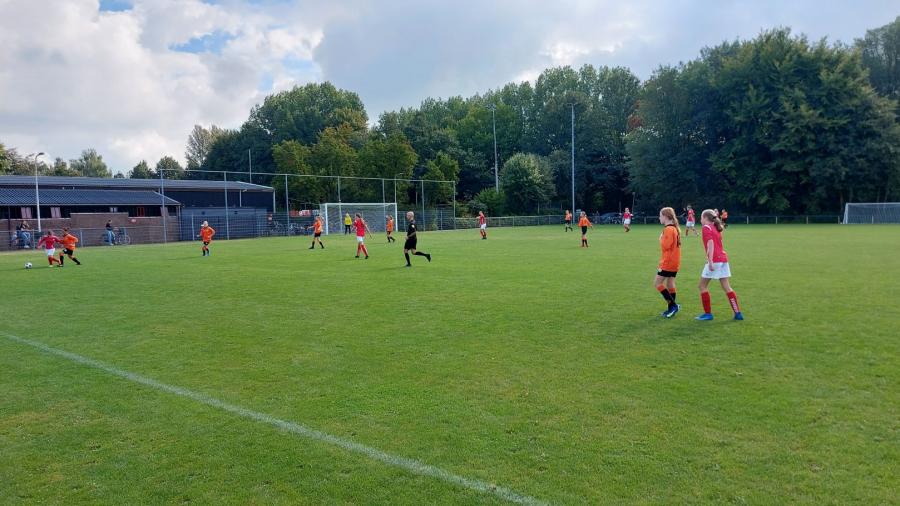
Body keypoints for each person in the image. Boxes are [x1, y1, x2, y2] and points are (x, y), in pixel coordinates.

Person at [696, 209, 743, 321]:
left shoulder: (706, 228)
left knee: (702, 286)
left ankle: (708, 314)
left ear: (705, 218)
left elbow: (710, 244)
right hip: (723, 259)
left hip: (715, 260)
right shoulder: (716, 227)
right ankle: (738, 313)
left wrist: (710, 260)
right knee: (726, 287)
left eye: (701, 217)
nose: (700, 219)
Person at [655, 208, 682, 317]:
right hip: (675, 260)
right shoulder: (674, 228)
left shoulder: (668, 229)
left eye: (660, 216)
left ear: (665, 216)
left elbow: (666, 246)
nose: (659, 218)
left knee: (657, 283)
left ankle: (673, 305)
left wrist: (660, 239)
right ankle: (671, 309)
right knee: (670, 283)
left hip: (668, 261)